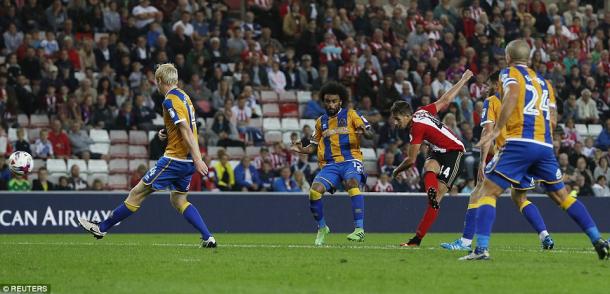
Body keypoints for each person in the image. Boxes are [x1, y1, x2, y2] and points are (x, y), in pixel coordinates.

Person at [464, 40, 608, 260]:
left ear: (508, 57)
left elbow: (512, 95)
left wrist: (498, 130)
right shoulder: (544, 82)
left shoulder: (508, 73)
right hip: (544, 145)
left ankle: (481, 249)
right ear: (529, 58)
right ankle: (598, 239)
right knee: (562, 196)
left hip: (519, 143)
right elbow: (552, 119)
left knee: (487, 192)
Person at [78, 64, 217, 248]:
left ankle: (101, 228)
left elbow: (186, 129)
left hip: (175, 160)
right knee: (179, 200)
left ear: (159, 81)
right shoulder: (183, 96)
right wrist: (167, 132)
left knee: (137, 193)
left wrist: (198, 157)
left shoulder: (169, 100)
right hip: (187, 161)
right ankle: (208, 237)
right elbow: (184, 125)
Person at [440, 71, 555, 251]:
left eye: (488, 84)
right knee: (520, 197)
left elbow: (487, 132)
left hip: (507, 155)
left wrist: (482, 162)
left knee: (477, 193)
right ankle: (545, 236)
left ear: (496, 84)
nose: (485, 88)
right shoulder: (520, 100)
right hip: (527, 155)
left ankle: (466, 242)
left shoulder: (492, 101)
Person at [390, 70, 473, 247]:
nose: (395, 123)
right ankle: (431, 193)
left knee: (435, 197)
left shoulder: (416, 128)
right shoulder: (421, 112)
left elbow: (411, 160)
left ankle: (417, 239)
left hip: (454, 152)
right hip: (438, 150)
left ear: (406, 116)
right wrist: (463, 80)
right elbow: (445, 100)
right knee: (428, 165)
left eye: (397, 119)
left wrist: (396, 170)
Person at [290, 81, 374, 245]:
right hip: (330, 165)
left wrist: (365, 132)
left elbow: (370, 134)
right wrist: (300, 149)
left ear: (340, 101)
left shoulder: (351, 114)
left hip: (351, 160)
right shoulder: (320, 122)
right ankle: (322, 228)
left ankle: (359, 230)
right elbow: (312, 148)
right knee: (314, 192)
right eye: (327, 101)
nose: (330, 104)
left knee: (351, 182)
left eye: (334, 101)